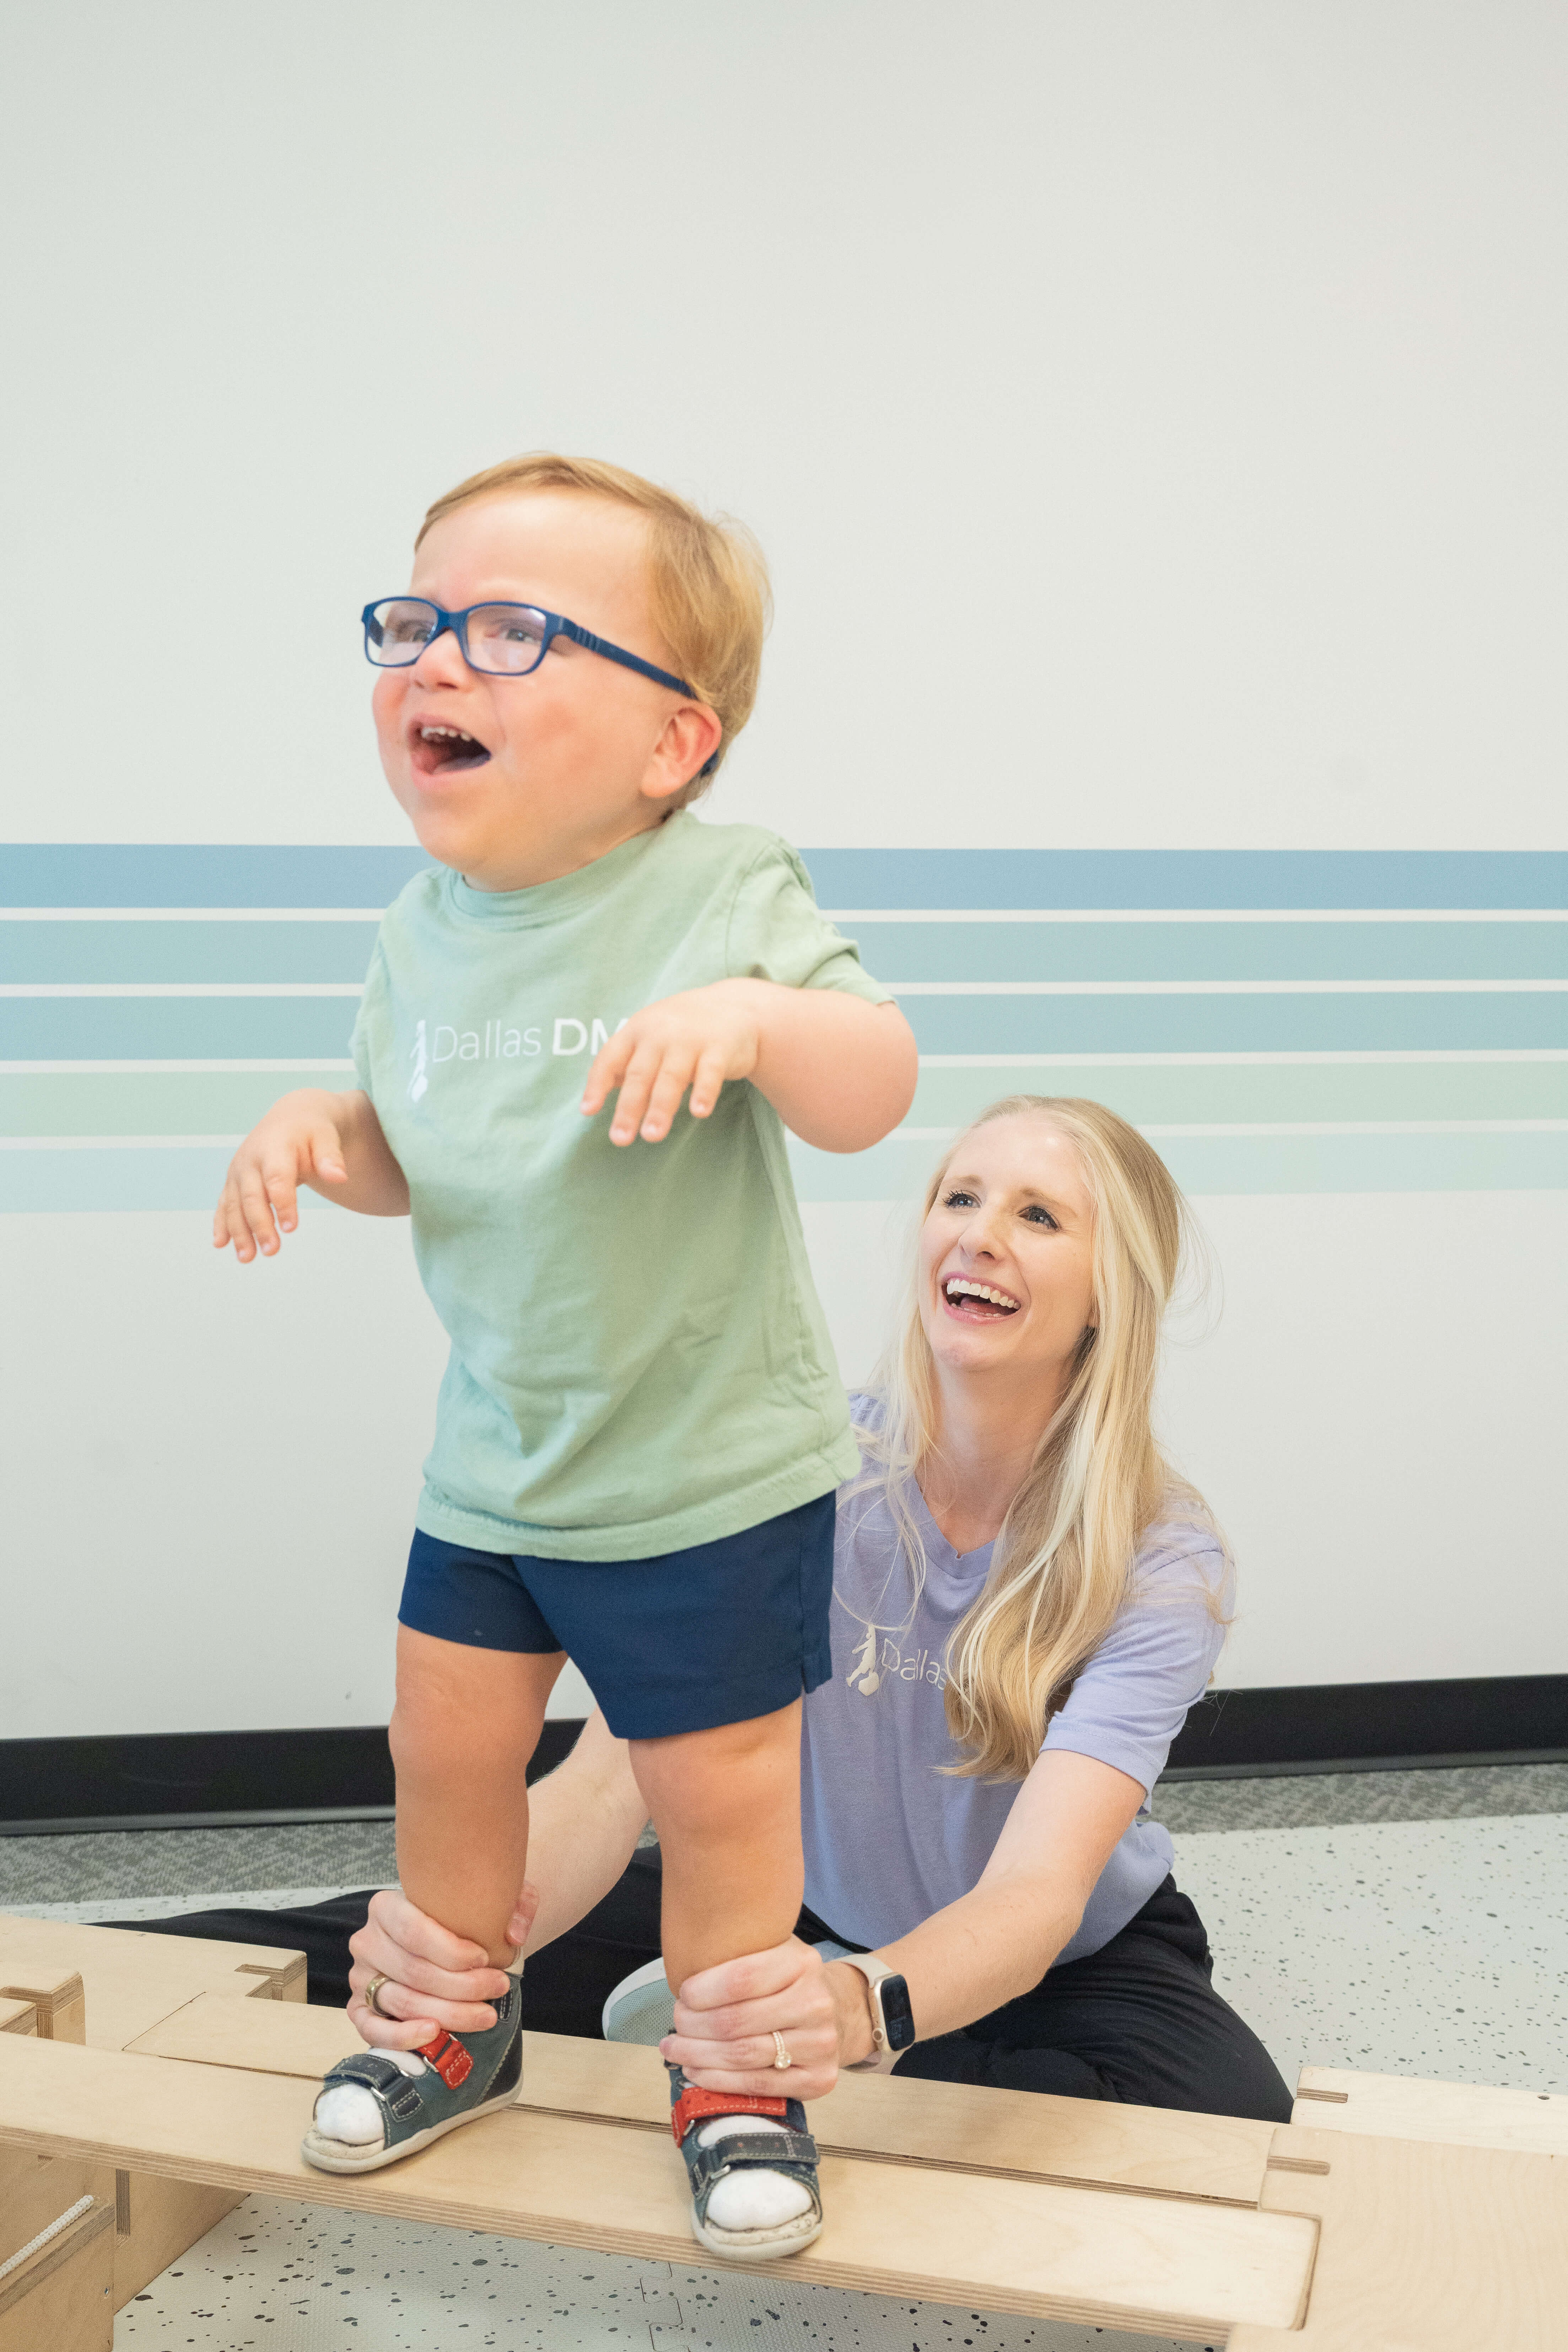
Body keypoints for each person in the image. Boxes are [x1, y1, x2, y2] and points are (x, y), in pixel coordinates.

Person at [211, 452, 918, 2253]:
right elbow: (421, 1148)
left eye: (513, 631)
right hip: (500, 1457)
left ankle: (737, 2070)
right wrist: (324, 1131)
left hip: (701, 1467)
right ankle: (454, 2022)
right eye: (416, 622)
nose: (439, 661)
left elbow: (872, 1080)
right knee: (444, 1748)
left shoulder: (724, 885)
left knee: (721, 1792)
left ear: (673, 743)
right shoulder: (417, 937)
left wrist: (757, 1016)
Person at [345, 1095, 1292, 2147]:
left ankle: (823, 2035)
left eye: (1038, 1217)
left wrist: (855, 2009)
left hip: (1057, 1957)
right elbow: (613, 1779)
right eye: (960, 1197)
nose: (978, 1232)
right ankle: (767, 2020)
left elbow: (1034, 1896)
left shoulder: (1159, 1560)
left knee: (1238, 2124)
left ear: (1108, 1294)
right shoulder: (797, 1472)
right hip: (791, 1906)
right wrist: (463, 1949)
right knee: (367, 1949)